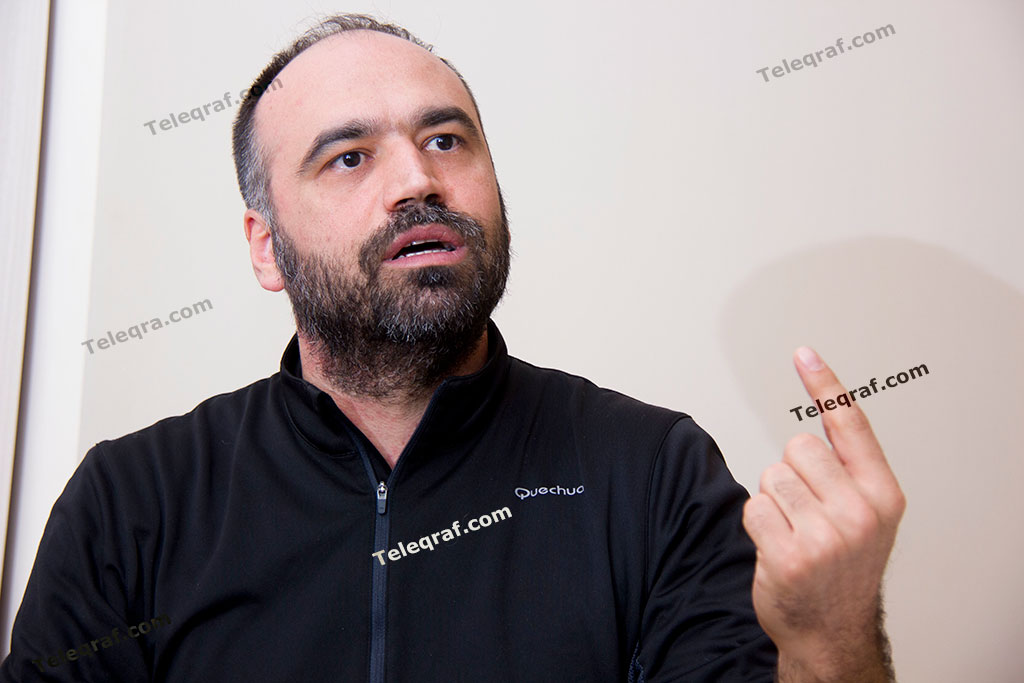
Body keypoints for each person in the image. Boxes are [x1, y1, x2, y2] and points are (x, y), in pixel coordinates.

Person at [1, 13, 904, 682]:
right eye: (349, 156)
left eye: (445, 139)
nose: (418, 179)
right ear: (265, 247)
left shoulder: (654, 472)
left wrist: (831, 642)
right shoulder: (131, 503)